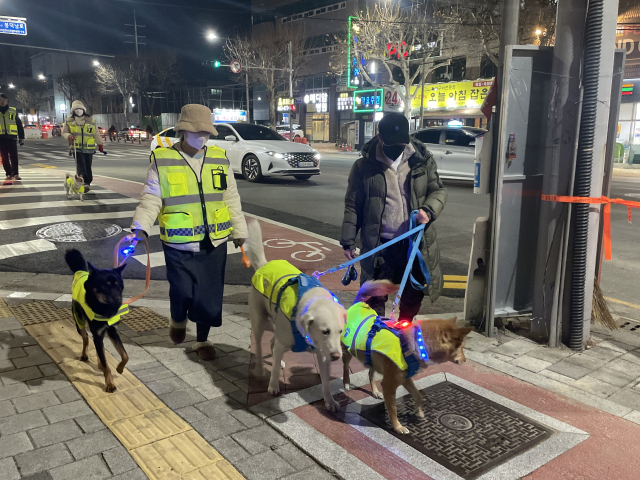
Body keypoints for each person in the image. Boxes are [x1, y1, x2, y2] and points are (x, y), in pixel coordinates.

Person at [130, 104, 248, 360]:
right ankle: (177, 318)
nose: (202, 137)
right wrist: (140, 227)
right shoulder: (162, 160)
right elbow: (151, 198)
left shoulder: (218, 158)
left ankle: (203, 340)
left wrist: (239, 230)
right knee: (182, 290)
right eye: (196, 132)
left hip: (214, 242)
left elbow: (230, 197)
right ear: (183, 131)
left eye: (206, 132)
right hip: (178, 242)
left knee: (208, 296)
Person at [341, 113, 447, 321]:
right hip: (380, 244)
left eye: (401, 143)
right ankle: (378, 337)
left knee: (413, 293)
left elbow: (438, 191)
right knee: (374, 297)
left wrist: (429, 210)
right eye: (392, 143)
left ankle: (404, 331)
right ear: (380, 138)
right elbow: (353, 205)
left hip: (414, 243)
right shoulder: (364, 167)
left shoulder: (421, 160)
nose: (397, 147)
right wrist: (347, 240)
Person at [62, 100, 103, 192]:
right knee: (81, 166)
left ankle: (88, 183)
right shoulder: (69, 120)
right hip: (77, 148)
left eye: (80, 109)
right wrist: (69, 136)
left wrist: (100, 144)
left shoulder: (90, 120)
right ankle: (82, 183)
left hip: (89, 148)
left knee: (88, 166)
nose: (79, 111)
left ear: (84, 110)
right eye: (76, 109)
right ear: (73, 111)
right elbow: (64, 132)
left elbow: (95, 133)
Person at [0, 93, 25, 181]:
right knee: (4, 157)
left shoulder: (13, 110)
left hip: (12, 137)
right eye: (1, 100)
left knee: (14, 156)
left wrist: (21, 137)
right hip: (1, 138)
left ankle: (16, 174)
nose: (2, 102)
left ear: (6, 101)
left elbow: (19, 124)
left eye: (4, 100)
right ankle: (8, 173)